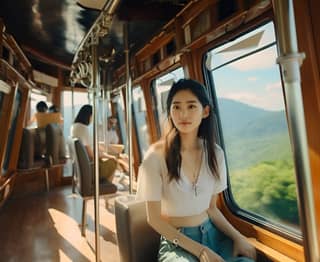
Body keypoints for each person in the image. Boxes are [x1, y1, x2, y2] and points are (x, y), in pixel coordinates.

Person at [136, 79, 256, 262]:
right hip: (177, 241)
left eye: (191, 106)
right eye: (176, 107)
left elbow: (212, 209)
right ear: (169, 112)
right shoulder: (155, 157)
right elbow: (154, 219)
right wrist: (200, 250)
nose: (183, 114)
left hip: (213, 235)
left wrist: (238, 237)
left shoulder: (215, 154)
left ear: (205, 111)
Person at [70, 104, 117, 183]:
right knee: (114, 161)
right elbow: (91, 155)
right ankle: (106, 186)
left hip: (80, 166)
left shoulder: (74, 126)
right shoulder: (83, 129)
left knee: (106, 158)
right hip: (89, 167)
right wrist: (107, 155)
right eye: (92, 117)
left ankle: (106, 185)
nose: (92, 120)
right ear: (89, 116)